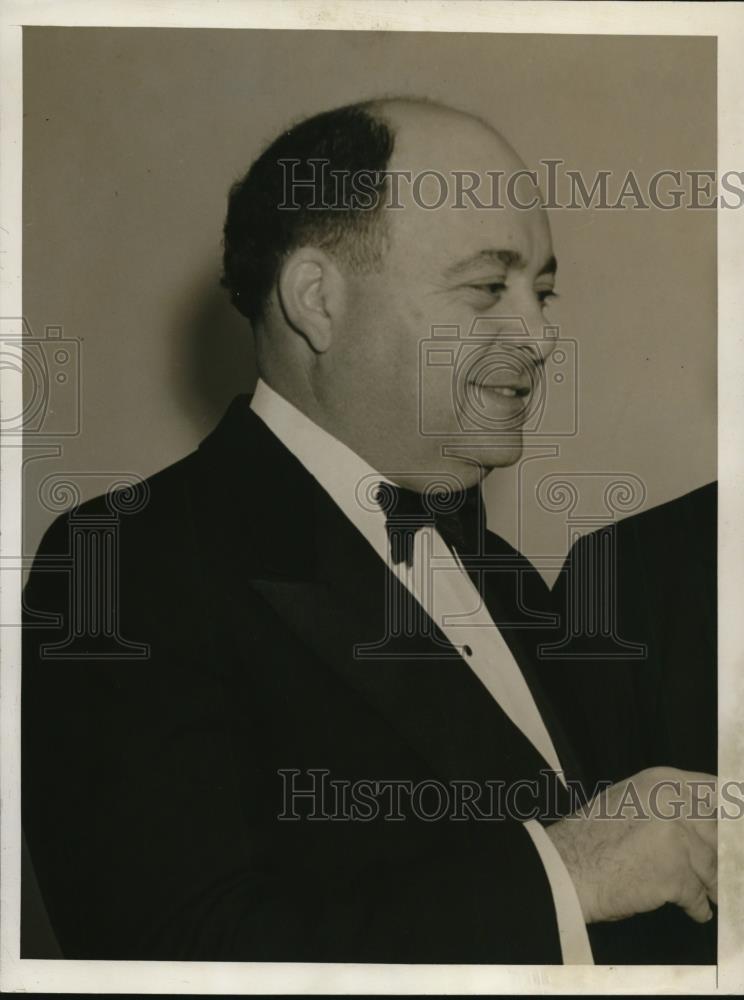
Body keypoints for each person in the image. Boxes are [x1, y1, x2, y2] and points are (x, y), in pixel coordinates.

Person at [22, 98, 716, 964]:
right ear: (318, 300)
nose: (540, 337)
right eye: (487, 287)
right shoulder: (122, 564)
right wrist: (569, 875)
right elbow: (178, 957)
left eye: (542, 292)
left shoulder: (506, 576)